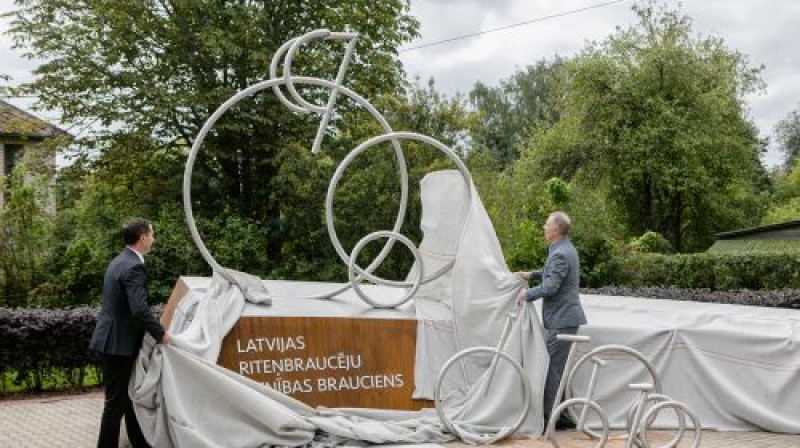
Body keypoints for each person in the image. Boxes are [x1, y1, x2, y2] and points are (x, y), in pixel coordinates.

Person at [90, 218, 170, 448]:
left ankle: (140, 443)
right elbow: (139, 309)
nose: (153, 239)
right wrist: (161, 334)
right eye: (152, 235)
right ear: (143, 237)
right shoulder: (134, 266)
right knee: (115, 405)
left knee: (127, 401)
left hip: (112, 342)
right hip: (119, 345)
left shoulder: (117, 262)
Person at [516, 211, 586, 430]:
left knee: (552, 370)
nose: (544, 228)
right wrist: (533, 274)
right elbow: (551, 274)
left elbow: (551, 287)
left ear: (556, 230)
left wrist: (526, 295)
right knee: (559, 369)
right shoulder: (563, 248)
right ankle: (562, 416)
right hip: (564, 318)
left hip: (562, 320)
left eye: (546, 225)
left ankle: (549, 420)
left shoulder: (560, 253)